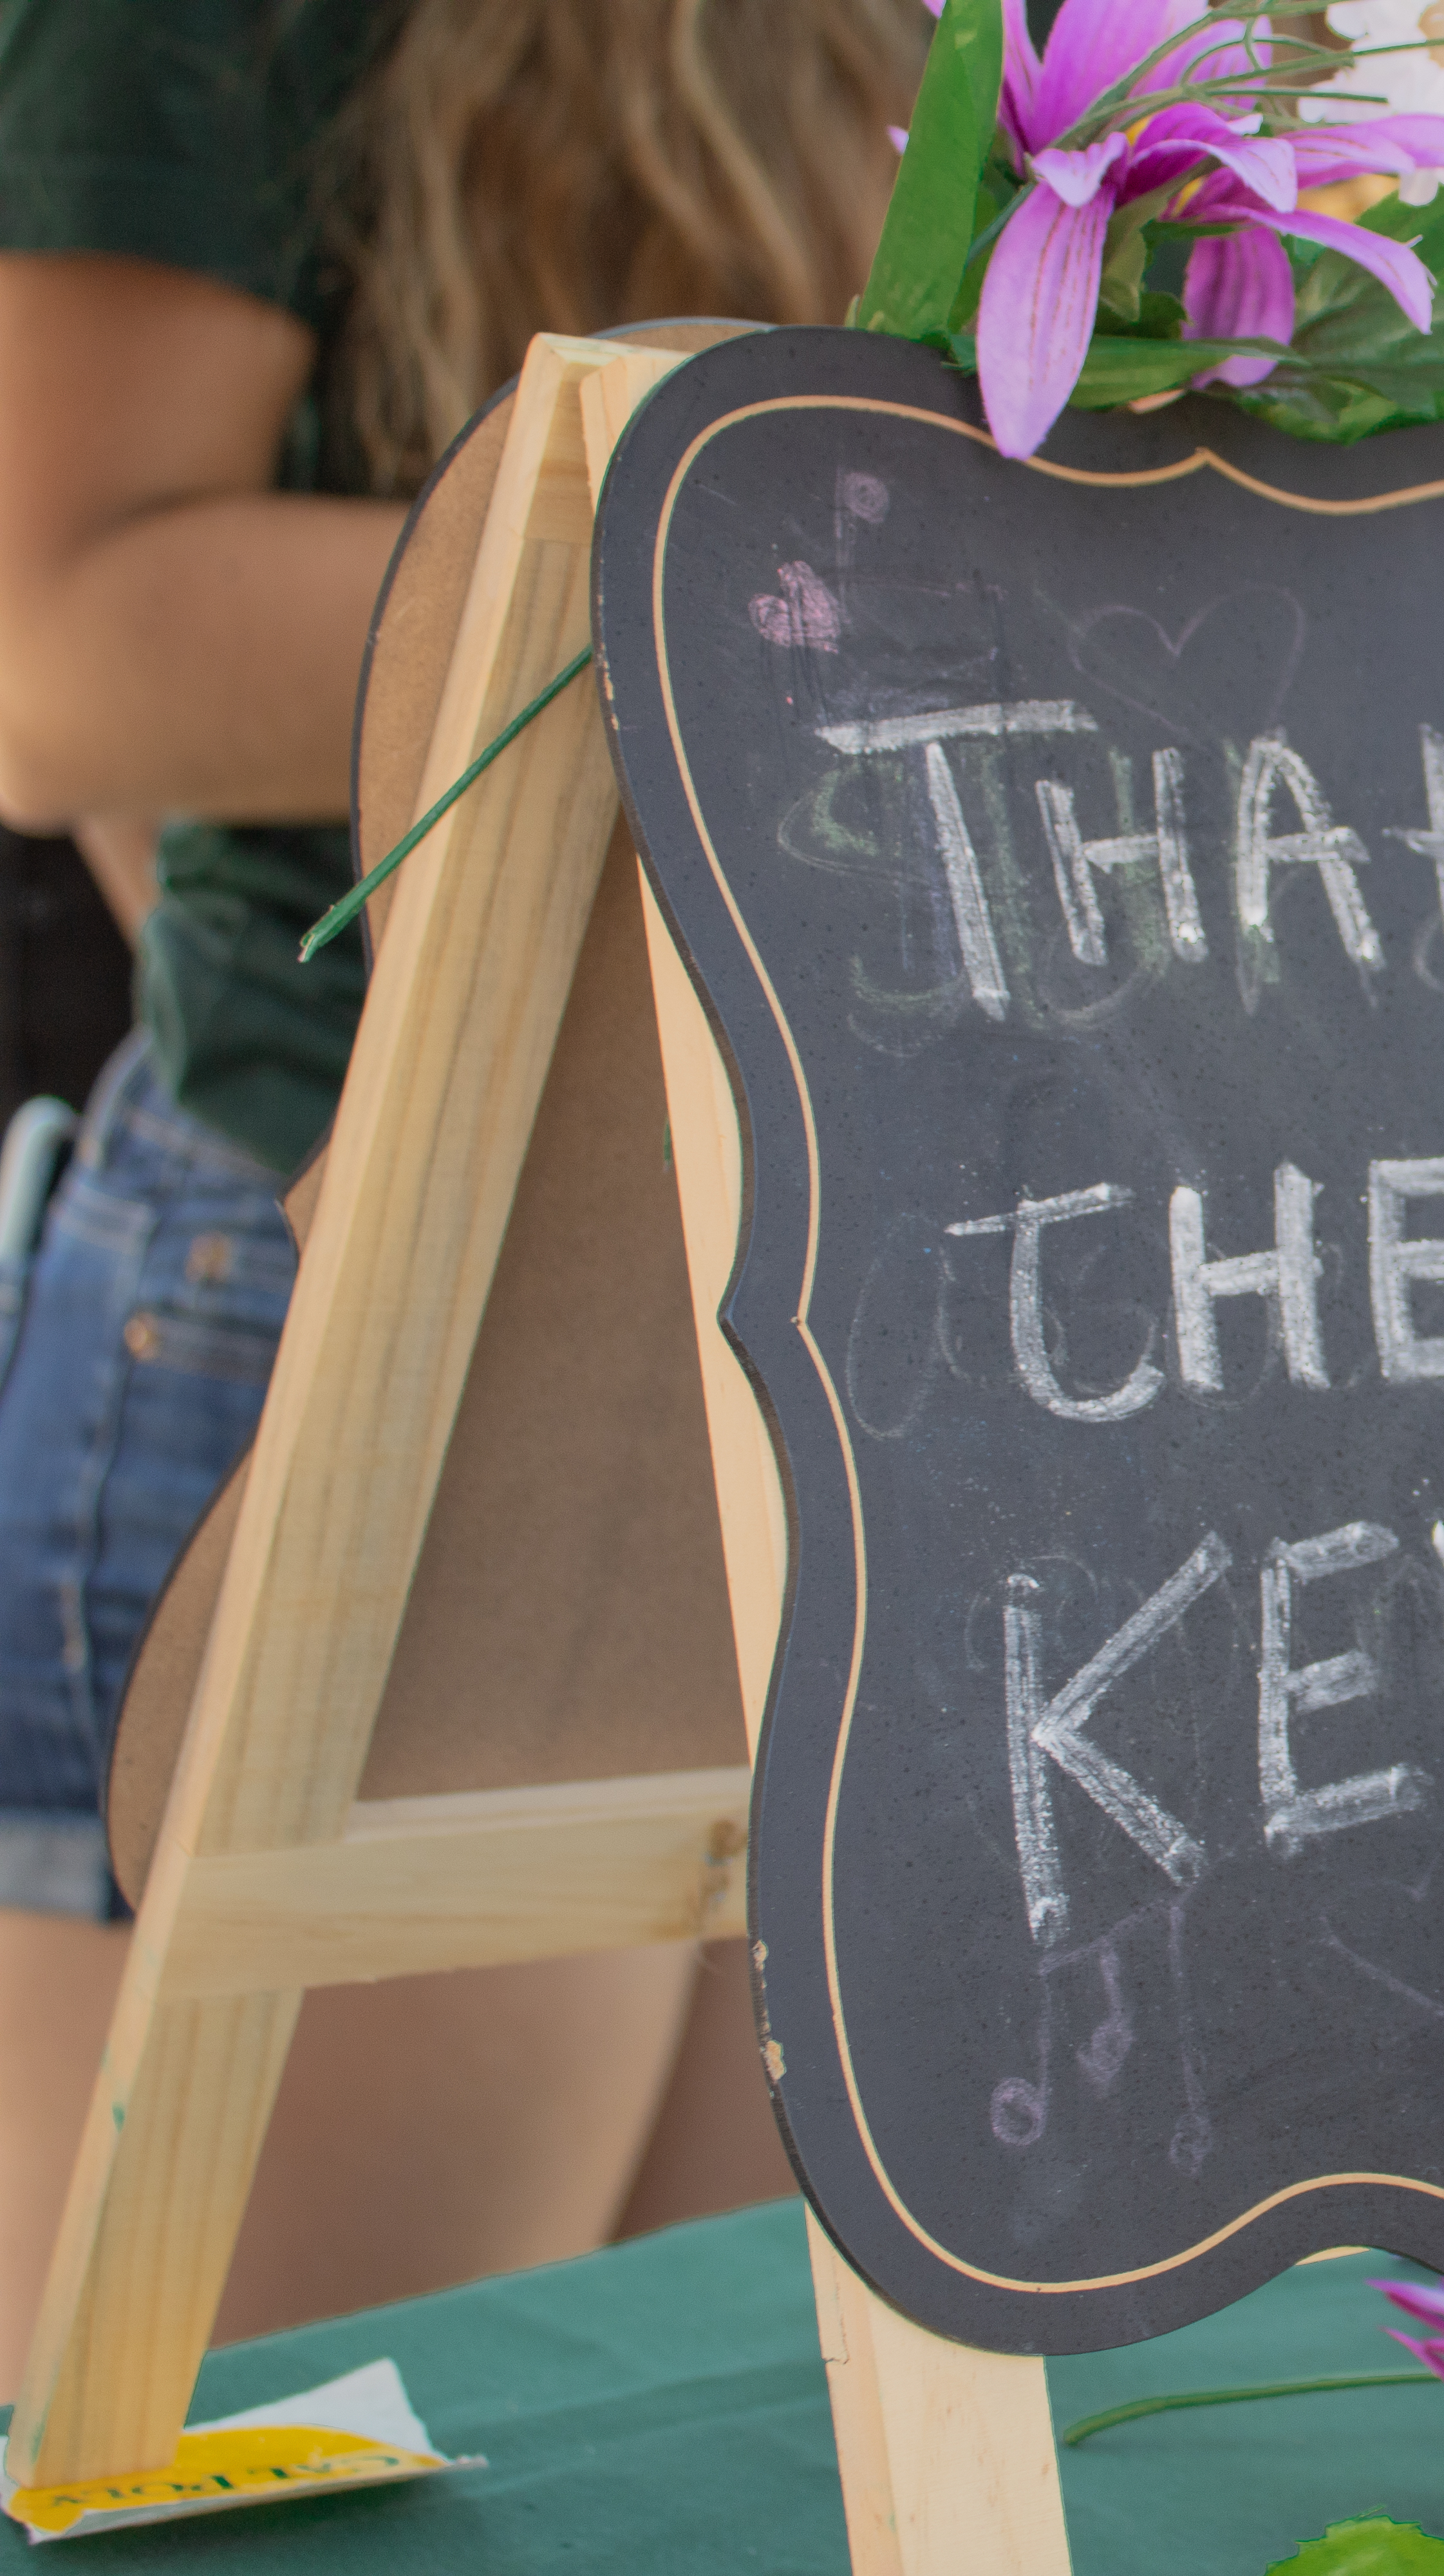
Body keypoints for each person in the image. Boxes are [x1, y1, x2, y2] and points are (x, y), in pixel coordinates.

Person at [0, 0, 915, 2379]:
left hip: (797, 1300)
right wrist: (807, 548)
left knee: (691, 2430)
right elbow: (50, 647)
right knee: (320, 2445)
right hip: (357, 1310)